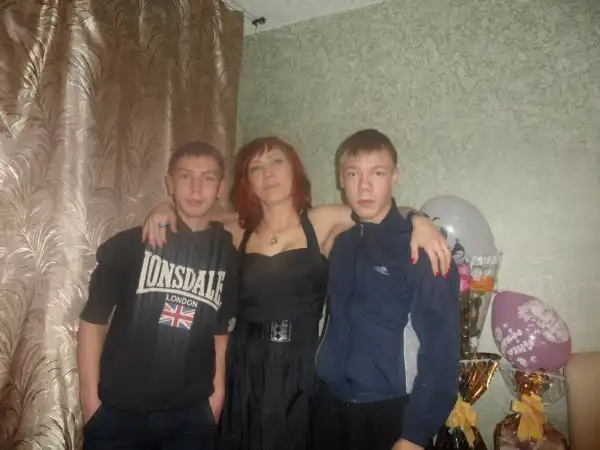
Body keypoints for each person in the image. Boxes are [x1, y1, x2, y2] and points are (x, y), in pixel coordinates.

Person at [141, 136, 451, 450]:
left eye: (277, 161)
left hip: (300, 366)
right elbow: (196, 213)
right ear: (248, 181)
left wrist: (420, 220)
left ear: (295, 170)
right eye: (256, 167)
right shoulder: (238, 230)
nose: (268, 173)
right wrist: (164, 206)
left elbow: (379, 210)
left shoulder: (323, 221)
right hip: (245, 362)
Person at [77, 141, 239, 450]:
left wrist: (215, 400)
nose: (196, 188)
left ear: (221, 187)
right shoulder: (131, 244)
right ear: (169, 183)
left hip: (191, 417)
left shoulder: (227, 255)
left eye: (207, 178)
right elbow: (93, 321)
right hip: (117, 413)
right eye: (185, 176)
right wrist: (90, 402)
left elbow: (221, 333)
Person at [311, 129, 461, 450]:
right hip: (329, 405)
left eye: (377, 173)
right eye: (354, 174)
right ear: (341, 179)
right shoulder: (342, 244)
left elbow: (442, 352)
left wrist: (415, 435)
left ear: (395, 176)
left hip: (390, 412)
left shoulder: (423, 250)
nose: (364, 186)